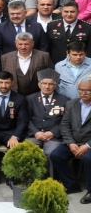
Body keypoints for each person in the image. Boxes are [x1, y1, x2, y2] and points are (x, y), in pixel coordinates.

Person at [49, 74, 91, 203]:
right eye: (80, 90)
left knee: (88, 158)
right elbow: (65, 125)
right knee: (55, 155)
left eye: (87, 90)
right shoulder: (71, 103)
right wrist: (70, 142)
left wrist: (88, 146)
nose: (83, 93)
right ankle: (71, 184)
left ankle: (90, 190)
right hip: (74, 141)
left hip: (89, 143)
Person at [25, 69, 70, 176]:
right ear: (39, 85)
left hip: (54, 137)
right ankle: (30, 180)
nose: (47, 86)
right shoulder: (30, 99)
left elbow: (66, 121)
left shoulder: (65, 100)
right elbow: (25, 119)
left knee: (52, 153)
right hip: (34, 135)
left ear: (56, 86)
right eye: (44, 83)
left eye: (50, 84)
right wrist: (35, 132)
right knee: (27, 151)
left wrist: (53, 132)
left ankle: (51, 181)